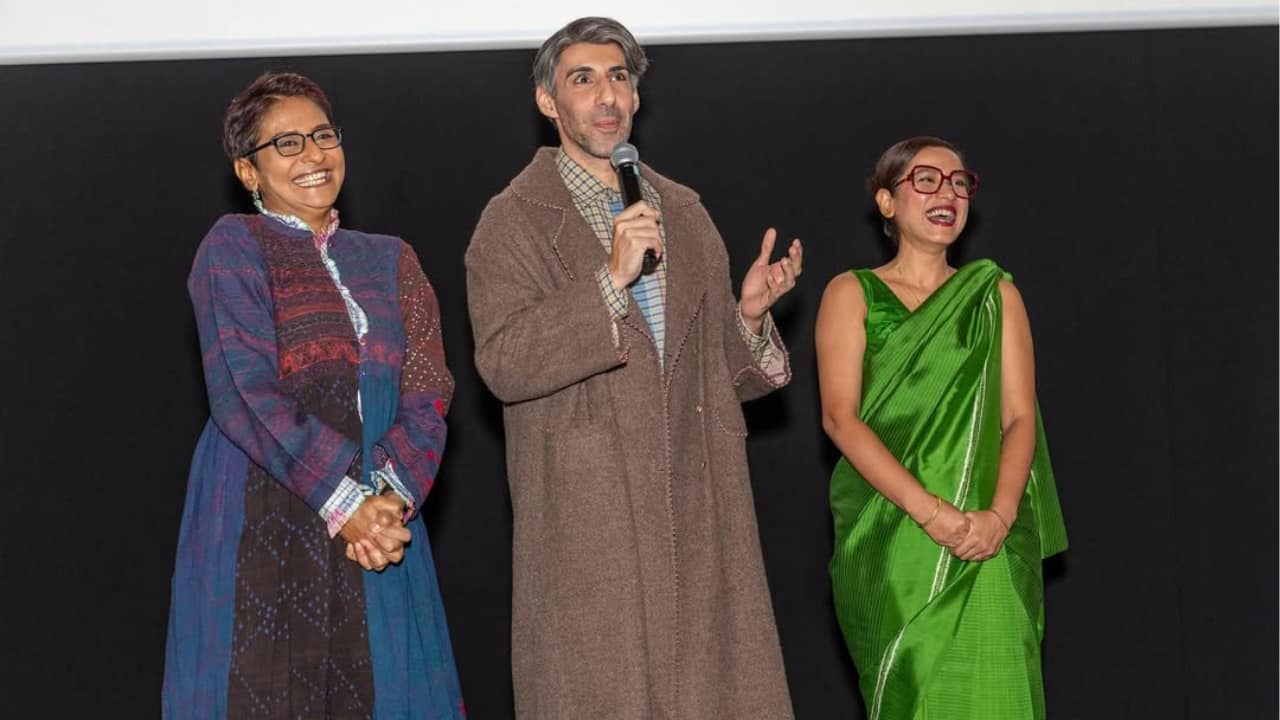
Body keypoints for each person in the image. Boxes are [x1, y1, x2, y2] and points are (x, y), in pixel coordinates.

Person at [465, 17, 802, 719]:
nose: (606, 96)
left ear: (638, 97)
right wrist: (608, 283)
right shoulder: (512, 222)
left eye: (619, 77)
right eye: (582, 80)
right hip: (592, 523)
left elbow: (714, 381)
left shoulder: (683, 212)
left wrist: (749, 318)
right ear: (548, 103)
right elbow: (504, 362)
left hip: (699, 507)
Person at [162, 72, 464, 719]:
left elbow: (429, 391)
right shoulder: (232, 246)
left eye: (323, 136)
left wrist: (386, 499)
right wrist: (342, 499)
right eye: (287, 143)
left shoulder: (391, 258)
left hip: (382, 522)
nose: (313, 155)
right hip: (262, 507)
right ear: (249, 170)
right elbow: (243, 391)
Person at [816, 136, 1068, 719]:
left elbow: (1020, 416)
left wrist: (997, 519)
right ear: (886, 202)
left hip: (989, 536)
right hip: (894, 532)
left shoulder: (994, 295)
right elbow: (840, 418)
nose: (947, 193)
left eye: (959, 183)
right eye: (926, 180)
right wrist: (935, 515)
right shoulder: (853, 293)